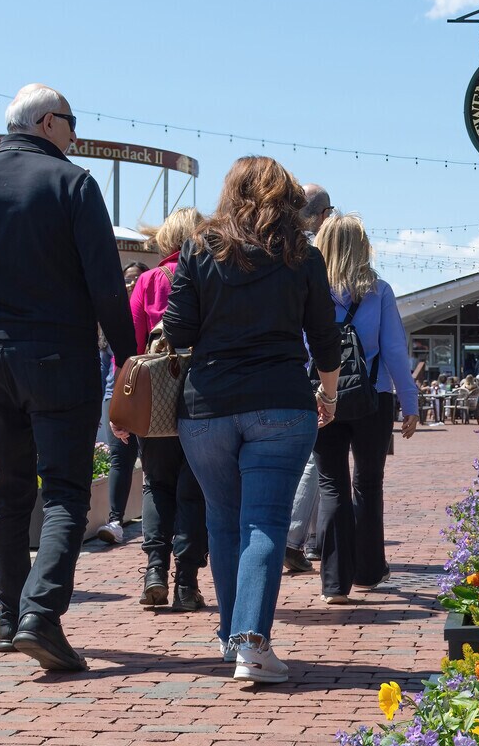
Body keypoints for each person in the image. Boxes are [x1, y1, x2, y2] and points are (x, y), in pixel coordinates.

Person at [0, 83, 136, 672]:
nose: (76, 135)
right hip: (59, 352)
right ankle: (40, 614)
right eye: (73, 122)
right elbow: (106, 282)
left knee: (7, 490)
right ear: (48, 122)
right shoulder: (73, 183)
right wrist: (128, 356)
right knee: (64, 491)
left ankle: (9, 619)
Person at [164, 157, 338, 684]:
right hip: (281, 402)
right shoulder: (301, 257)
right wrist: (327, 393)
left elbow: (176, 329)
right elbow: (325, 338)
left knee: (222, 519)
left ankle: (230, 638)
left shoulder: (199, 247)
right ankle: (252, 646)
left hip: (208, 406)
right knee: (262, 521)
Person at [312, 216, 419, 603]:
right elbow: (394, 350)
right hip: (373, 397)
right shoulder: (379, 290)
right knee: (368, 484)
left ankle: (334, 584)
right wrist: (410, 402)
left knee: (331, 484)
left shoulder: (310, 289)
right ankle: (369, 571)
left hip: (322, 396)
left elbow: (301, 349)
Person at [125, 207, 209, 612]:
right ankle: (187, 585)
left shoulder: (147, 281)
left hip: (154, 400)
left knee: (156, 485)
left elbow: (131, 349)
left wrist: (123, 409)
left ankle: (154, 571)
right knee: (194, 492)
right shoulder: (211, 276)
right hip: (199, 399)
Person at [284, 184, 336, 575]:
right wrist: (327, 390)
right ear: (319, 215)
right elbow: (318, 333)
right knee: (312, 462)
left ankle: (309, 539)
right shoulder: (307, 255)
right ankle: (292, 538)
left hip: (281, 374)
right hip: (301, 375)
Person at [98, 261, 152, 547]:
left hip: (149, 400)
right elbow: (104, 364)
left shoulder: (148, 311)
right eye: (127, 279)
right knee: (120, 458)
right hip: (115, 397)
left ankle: (153, 523)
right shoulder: (111, 319)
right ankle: (115, 520)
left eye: (137, 278)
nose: (131, 283)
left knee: (152, 463)